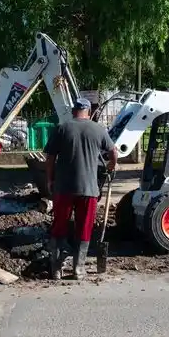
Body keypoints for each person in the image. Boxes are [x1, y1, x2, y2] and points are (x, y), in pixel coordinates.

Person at [43, 98, 117, 280]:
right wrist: (111, 166)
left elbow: (50, 158)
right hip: (89, 189)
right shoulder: (98, 129)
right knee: (84, 228)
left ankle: (56, 269)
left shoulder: (62, 128)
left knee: (59, 226)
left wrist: (49, 180)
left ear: (73, 111)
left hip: (63, 189)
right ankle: (78, 269)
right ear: (89, 112)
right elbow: (113, 152)